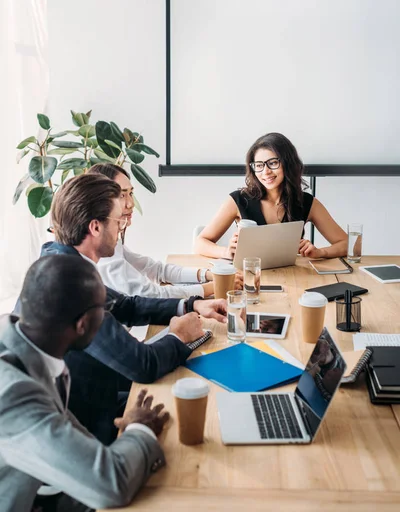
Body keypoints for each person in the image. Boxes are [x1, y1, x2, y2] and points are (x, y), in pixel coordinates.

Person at [31, 173, 227, 445]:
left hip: (88, 392)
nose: (122, 227)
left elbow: (125, 305)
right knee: (198, 410)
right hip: (84, 425)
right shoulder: (74, 284)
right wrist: (179, 336)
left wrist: (191, 304)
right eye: (118, 220)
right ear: (95, 227)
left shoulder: (57, 258)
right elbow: (142, 365)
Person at [0, 255, 169, 512]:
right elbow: (112, 483)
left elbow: (80, 446)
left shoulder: (28, 350)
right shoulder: (13, 393)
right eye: (105, 309)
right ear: (82, 324)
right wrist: (139, 429)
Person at [195, 132, 347, 260]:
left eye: (273, 163)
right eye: (259, 165)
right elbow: (200, 243)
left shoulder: (306, 202)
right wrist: (226, 252)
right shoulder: (238, 200)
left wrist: (320, 252)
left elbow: (350, 244)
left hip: (292, 277)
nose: (265, 172)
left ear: (288, 163)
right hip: (248, 278)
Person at [87, 163, 216, 298]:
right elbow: (151, 294)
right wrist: (211, 287)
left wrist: (208, 274)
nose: (130, 203)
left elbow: (155, 269)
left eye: (130, 193)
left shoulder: (112, 243)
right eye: (121, 195)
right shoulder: (102, 253)